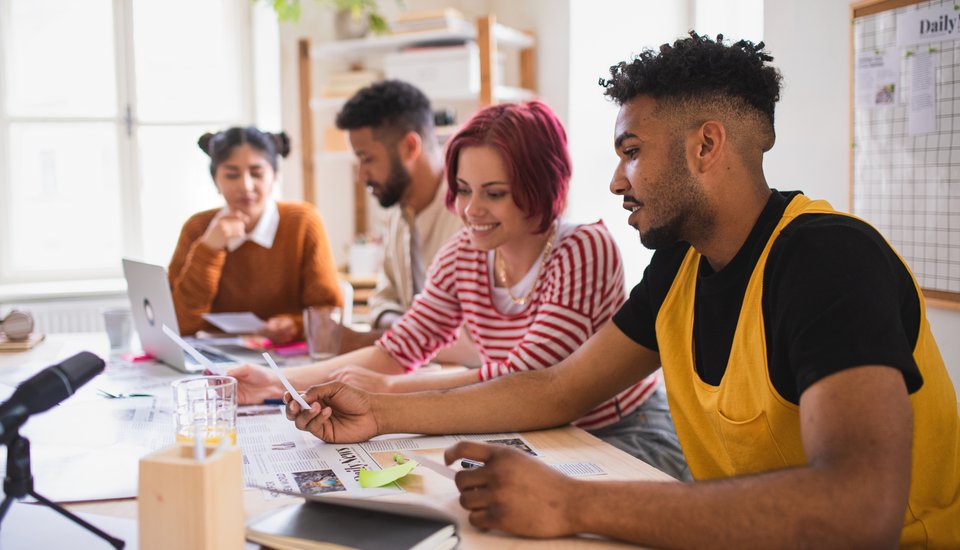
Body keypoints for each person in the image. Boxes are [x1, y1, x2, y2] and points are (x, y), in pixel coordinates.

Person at [280, 33, 960, 548]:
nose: (613, 180)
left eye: (630, 150)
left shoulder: (827, 258)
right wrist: (381, 412)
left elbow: (860, 507)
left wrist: (574, 504)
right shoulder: (680, 266)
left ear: (705, 146)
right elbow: (556, 388)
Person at [231, 101, 687, 479]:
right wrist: (276, 382)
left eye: (494, 193)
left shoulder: (584, 246)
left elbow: (527, 375)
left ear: (541, 185)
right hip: (537, 431)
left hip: (624, 430)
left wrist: (391, 390)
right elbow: (398, 347)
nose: (470, 210)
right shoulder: (464, 251)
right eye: (465, 189)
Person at [334, 80, 476, 363]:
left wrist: (389, 336)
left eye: (367, 159)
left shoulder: (473, 217)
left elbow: (473, 344)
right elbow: (383, 299)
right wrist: (398, 325)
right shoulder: (399, 213)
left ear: (410, 147)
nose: (361, 175)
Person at [169, 127, 342, 345]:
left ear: (274, 177)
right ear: (215, 181)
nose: (246, 186)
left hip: (286, 362)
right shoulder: (197, 228)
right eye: (232, 175)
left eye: (257, 173)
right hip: (215, 366)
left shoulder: (303, 222)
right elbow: (178, 324)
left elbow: (328, 315)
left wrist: (295, 325)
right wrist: (209, 249)